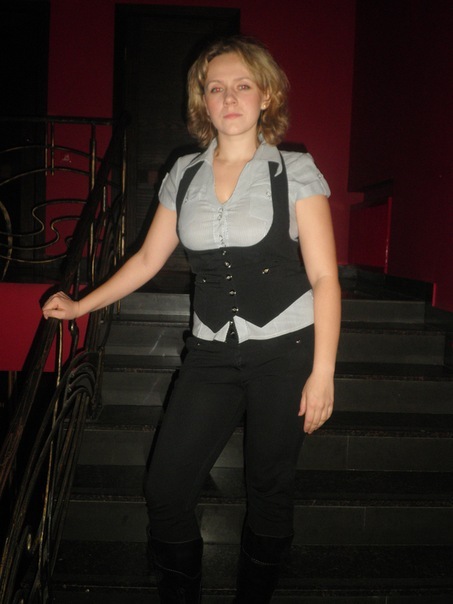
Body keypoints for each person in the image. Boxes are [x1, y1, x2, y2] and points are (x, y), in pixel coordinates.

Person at [43, 35, 341, 604]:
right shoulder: (184, 173)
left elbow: (325, 278)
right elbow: (147, 259)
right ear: (202, 101)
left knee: (269, 487)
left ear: (266, 94)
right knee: (165, 488)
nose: (229, 98)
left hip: (286, 350)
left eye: (242, 86)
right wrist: (80, 304)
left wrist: (322, 372)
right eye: (215, 88)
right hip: (209, 353)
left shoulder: (295, 170)